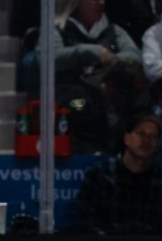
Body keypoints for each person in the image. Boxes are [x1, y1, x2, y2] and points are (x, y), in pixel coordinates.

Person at [48, 0, 144, 154]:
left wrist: (113, 60)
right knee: (78, 106)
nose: (101, 3)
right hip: (73, 99)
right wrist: (87, 52)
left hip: (111, 97)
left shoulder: (114, 30)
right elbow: (45, 58)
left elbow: (136, 57)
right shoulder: (59, 29)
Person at [74, 111, 162, 235]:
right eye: (141, 134)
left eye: (153, 136)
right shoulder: (99, 174)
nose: (146, 140)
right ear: (126, 138)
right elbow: (85, 222)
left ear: (158, 145)